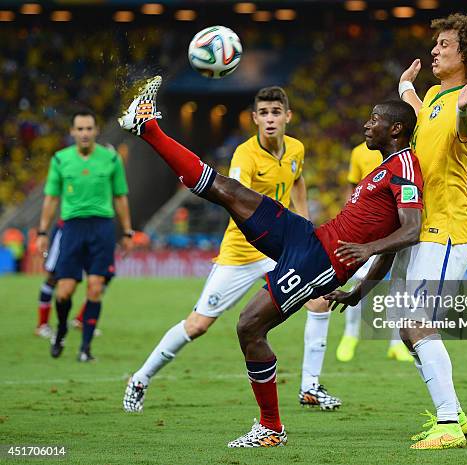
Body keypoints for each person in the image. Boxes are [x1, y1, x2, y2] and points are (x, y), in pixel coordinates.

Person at [118, 76, 423, 447]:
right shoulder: (380, 167)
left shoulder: (405, 168)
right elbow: (390, 241)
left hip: (321, 262)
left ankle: (273, 427)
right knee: (227, 189)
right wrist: (361, 290)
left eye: (374, 119)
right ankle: (146, 126)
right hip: (309, 238)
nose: (366, 124)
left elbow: (411, 231)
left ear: (395, 129)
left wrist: (367, 254)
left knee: (249, 326)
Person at [123, 86, 341, 414]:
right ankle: (140, 378)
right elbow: (234, 198)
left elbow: (298, 179)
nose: (270, 119)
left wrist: (304, 227)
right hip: (241, 252)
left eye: (276, 113)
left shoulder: (296, 149)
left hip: (279, 250)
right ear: (254, 119)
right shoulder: (245, 155)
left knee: (320, 301)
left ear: (287, 116)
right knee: (197, 325)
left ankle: (310, 387)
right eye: (264, 113)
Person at [390, 13, 467, 449]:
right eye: (435, 44)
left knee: (417, 323)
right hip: (423, 228)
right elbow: (425, 119)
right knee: (405, 327)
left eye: (444, 45)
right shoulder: (436, 94)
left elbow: (465, 125)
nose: (435, 50)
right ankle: (452, 413)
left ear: (466, 54)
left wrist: (462, 111)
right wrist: (405, 90)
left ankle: (449, 424)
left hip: (449, 228)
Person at [36, 109, 133, 362]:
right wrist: (43, 232)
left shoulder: (111, 160)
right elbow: (51, 198)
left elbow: (120, 197)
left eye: (89, 128)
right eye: (80, 129)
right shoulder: (60, 160)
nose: (85, 133)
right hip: (72, 229)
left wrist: (127, 231)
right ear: (72, 132)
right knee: (64, 291)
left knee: (95, 288)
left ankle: (85, 349)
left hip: (101, 228)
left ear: (96, 131)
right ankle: (61, 330)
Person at [336, 141, 413, 363]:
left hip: (404, 225)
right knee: (361, 281)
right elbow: (353, 188)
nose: (370, 126)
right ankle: (350, 336)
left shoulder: (411, 150)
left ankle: (396, 344)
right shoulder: (359, 152)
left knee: (400, 285)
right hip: (371, 229)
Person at [35, 220, 112, 339]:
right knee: (54, 277)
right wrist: (43, 232)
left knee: (103, 277)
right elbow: (52, 201)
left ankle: (81, 320)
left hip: (95, 230)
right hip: (69, 230)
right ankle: (42, 325)